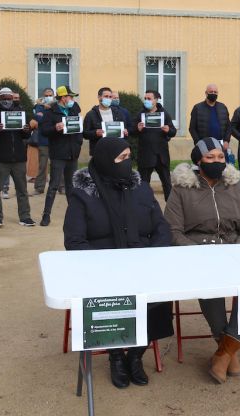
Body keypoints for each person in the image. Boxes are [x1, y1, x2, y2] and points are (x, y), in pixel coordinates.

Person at [64, 137, 174, 389]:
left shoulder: (141, 188)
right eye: (121, 158)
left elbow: (161, 227)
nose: (127, 163)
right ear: (105, 160)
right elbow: (74, 240)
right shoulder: (83, 195)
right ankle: (115, 355)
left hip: (143, 260)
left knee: (158, 293)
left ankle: (135, 355)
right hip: (103, 266)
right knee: (110, 297)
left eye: (128, 157)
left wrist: (153, 255)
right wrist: (104, 266)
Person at [163, 137, 240, 384]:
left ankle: (225, 351)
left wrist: (239, 249)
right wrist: (198, 253)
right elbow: (172, 231)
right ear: (198, 161)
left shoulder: (236, 186)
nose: (217, 162)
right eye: (210, 158)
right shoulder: (181, 189)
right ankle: (227, 347)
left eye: (221, 157)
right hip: (198, 252)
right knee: (211, 286)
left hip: (234, 250)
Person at [0, 87, 34, 228]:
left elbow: (26, 135)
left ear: (13, 98)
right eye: (4, 98)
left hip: (18, 159)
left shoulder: (21, 113)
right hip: (0, 159)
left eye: (9, 98)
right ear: (0, 99)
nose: (7, 101)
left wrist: (26, 130)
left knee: (22, 190)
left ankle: (25, 217)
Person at [38, 85, 82, 227]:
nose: (72, 99)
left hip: (72, 153)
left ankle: (74, 215)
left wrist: (78, 143)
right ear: (63, 98)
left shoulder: (75, 108)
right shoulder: (51, 112)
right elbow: (44, 130)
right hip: (58, 153)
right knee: (54, 185)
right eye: (70, 96)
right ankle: (46, 215)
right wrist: (54, 128)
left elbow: (79, 126)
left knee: (71, 186)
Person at [133, 89, 177, 199]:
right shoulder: (140, 114)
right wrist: (137, 129)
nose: (146, 101)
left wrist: (168, 130)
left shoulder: (164, 113)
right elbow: (132, 132)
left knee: (167, 183)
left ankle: (171, 208)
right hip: (145, 155)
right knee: (143, 184)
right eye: (145, 99)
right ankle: (144, 207)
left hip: (161, 155)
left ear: (156, 100)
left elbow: (173, 131)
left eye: (149, 99)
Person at [83, 87, 128, 155]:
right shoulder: (91, 115)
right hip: (99, 151)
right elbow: (85, 133)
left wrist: (125, 132)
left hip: (115, 150)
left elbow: (124, 130)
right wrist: (95, 133)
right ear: (99, 97)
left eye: (110, 97)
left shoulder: (118, 113)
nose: (108, 99)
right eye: (106, 96)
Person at [188, 84, 230, 150]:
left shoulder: (223, 107)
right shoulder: (197, 108)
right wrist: (198, 142)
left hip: (221, 145)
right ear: (206, 93)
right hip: (204, 145)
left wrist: (227, 141)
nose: (213, 93)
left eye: (215, 92)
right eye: (211, 92)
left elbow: (228, 127)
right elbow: (192, 128)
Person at [31, 88, 54, 194]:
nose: (49, 97)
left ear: (54, 96)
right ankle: (39, 187)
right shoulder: (39, 107)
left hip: (56, 140)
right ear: (43, 96)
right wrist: (45, 108)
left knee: (57, 165)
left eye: (50, 95)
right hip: (43, 140)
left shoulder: (57, 106)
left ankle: (61, 187)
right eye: (46, 95)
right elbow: (38, 119)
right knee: (42, 165)